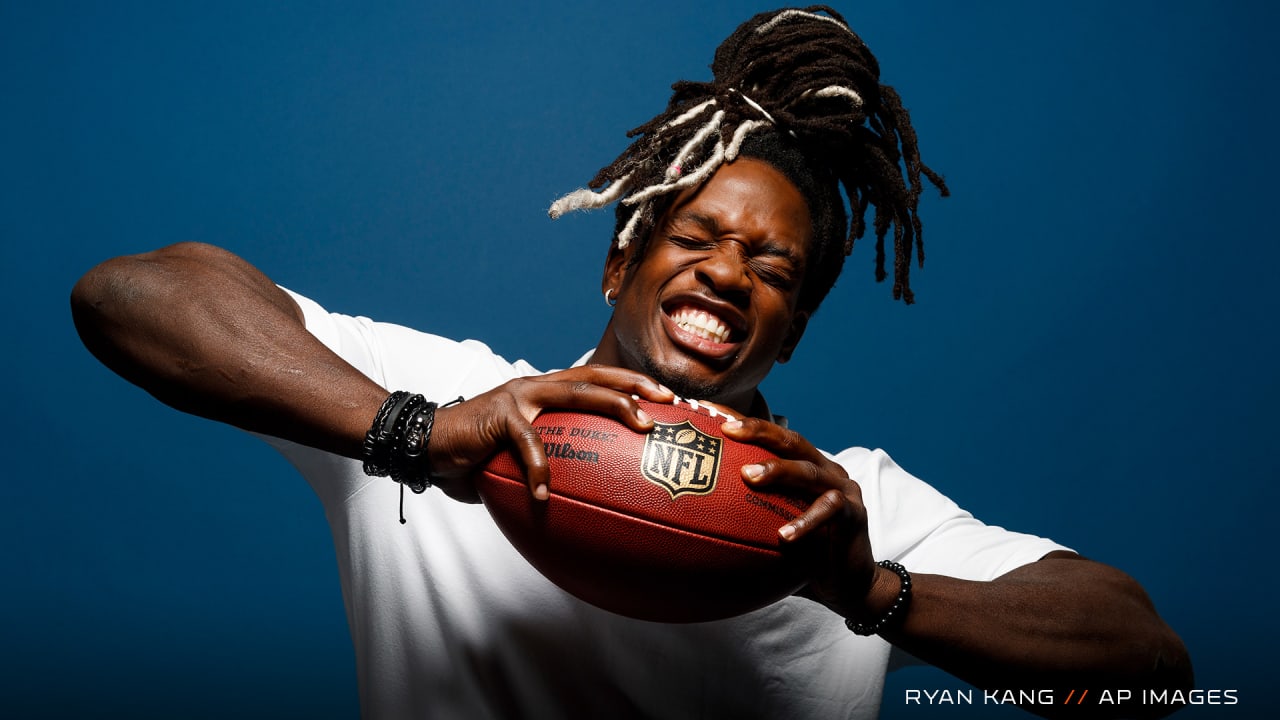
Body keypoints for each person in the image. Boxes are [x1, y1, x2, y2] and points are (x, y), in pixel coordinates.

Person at [71, 7, 1190, 719]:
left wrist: (870, 592)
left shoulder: (837, 512)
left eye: (771, 268)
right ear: (620, 263)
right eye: (695, 239)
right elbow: (132, 296)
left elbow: (1149, 670)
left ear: (792, 328)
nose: (726, 274)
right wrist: (414, 433)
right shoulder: (456, 403)